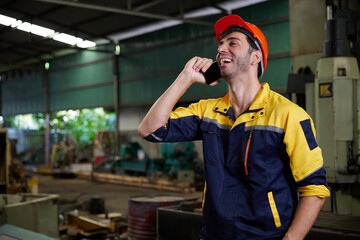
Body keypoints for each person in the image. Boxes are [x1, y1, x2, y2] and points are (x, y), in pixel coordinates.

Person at [138, 14, 330, 240]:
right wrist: (185, 77)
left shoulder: (288, 115)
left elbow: (314, 189)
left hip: (266, 237)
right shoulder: (207, 111)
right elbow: (150, 130)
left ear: (255, 57)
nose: (221, 49)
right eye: (220, 44)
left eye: (233, 43)